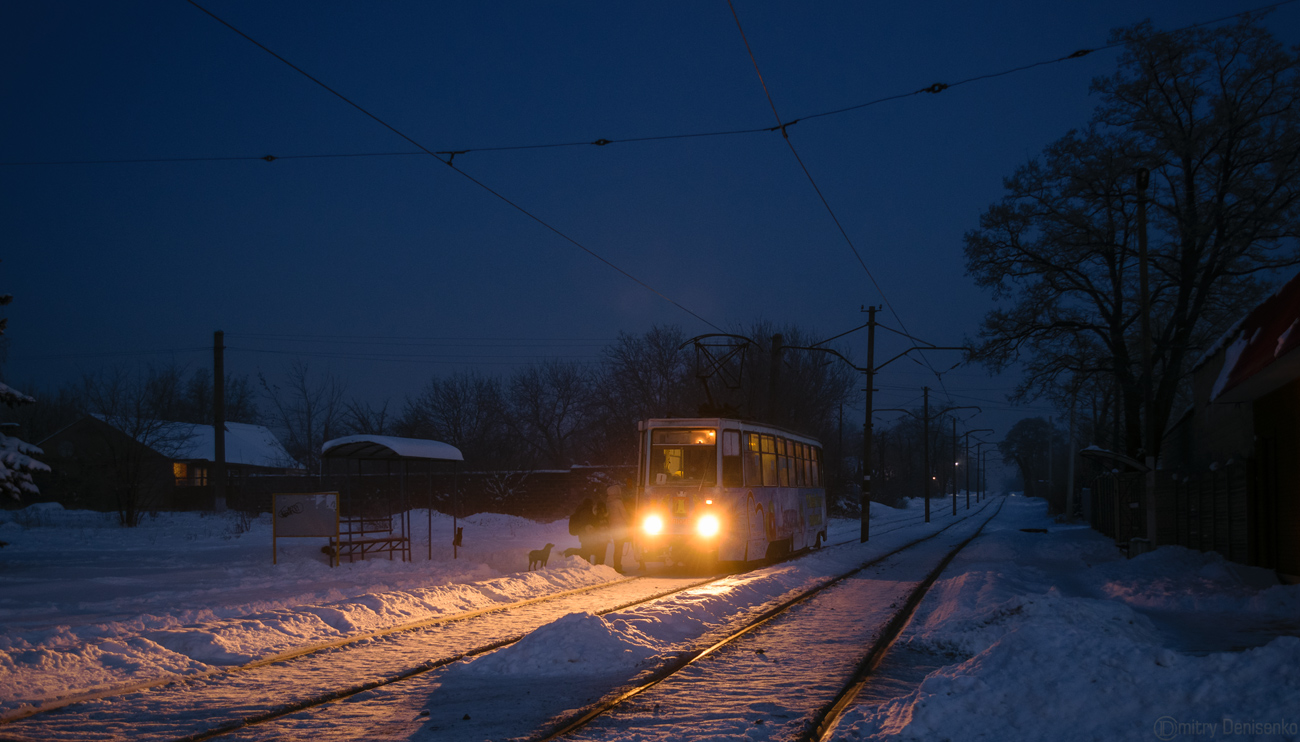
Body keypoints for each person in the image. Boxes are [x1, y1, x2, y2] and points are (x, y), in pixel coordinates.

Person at [605, 485, 631, 571]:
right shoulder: (618, 502)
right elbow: (624, 514)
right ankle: (618, 566)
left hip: (613, 528)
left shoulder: (608, 503)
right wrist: (630, 522)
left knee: (616, 548)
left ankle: (616, 565)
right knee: (619, 548)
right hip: (620, 528)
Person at [569, 497, 595, 563]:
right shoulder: (586, 511)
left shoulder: (581, 510)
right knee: (587, 549)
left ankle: (584, 562)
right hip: (585, 533)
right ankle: (586, 563)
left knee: (585, 548)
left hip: (581, 533)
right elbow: (585, 523)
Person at [590, 498, 610, 565]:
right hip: (604, 537)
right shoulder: (605, 516)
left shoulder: (594, 515)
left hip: (597, 537)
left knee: (598, 552)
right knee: (603, 552)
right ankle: (601, 565)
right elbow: (607, 526)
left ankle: (597, 565)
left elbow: (595, 526)